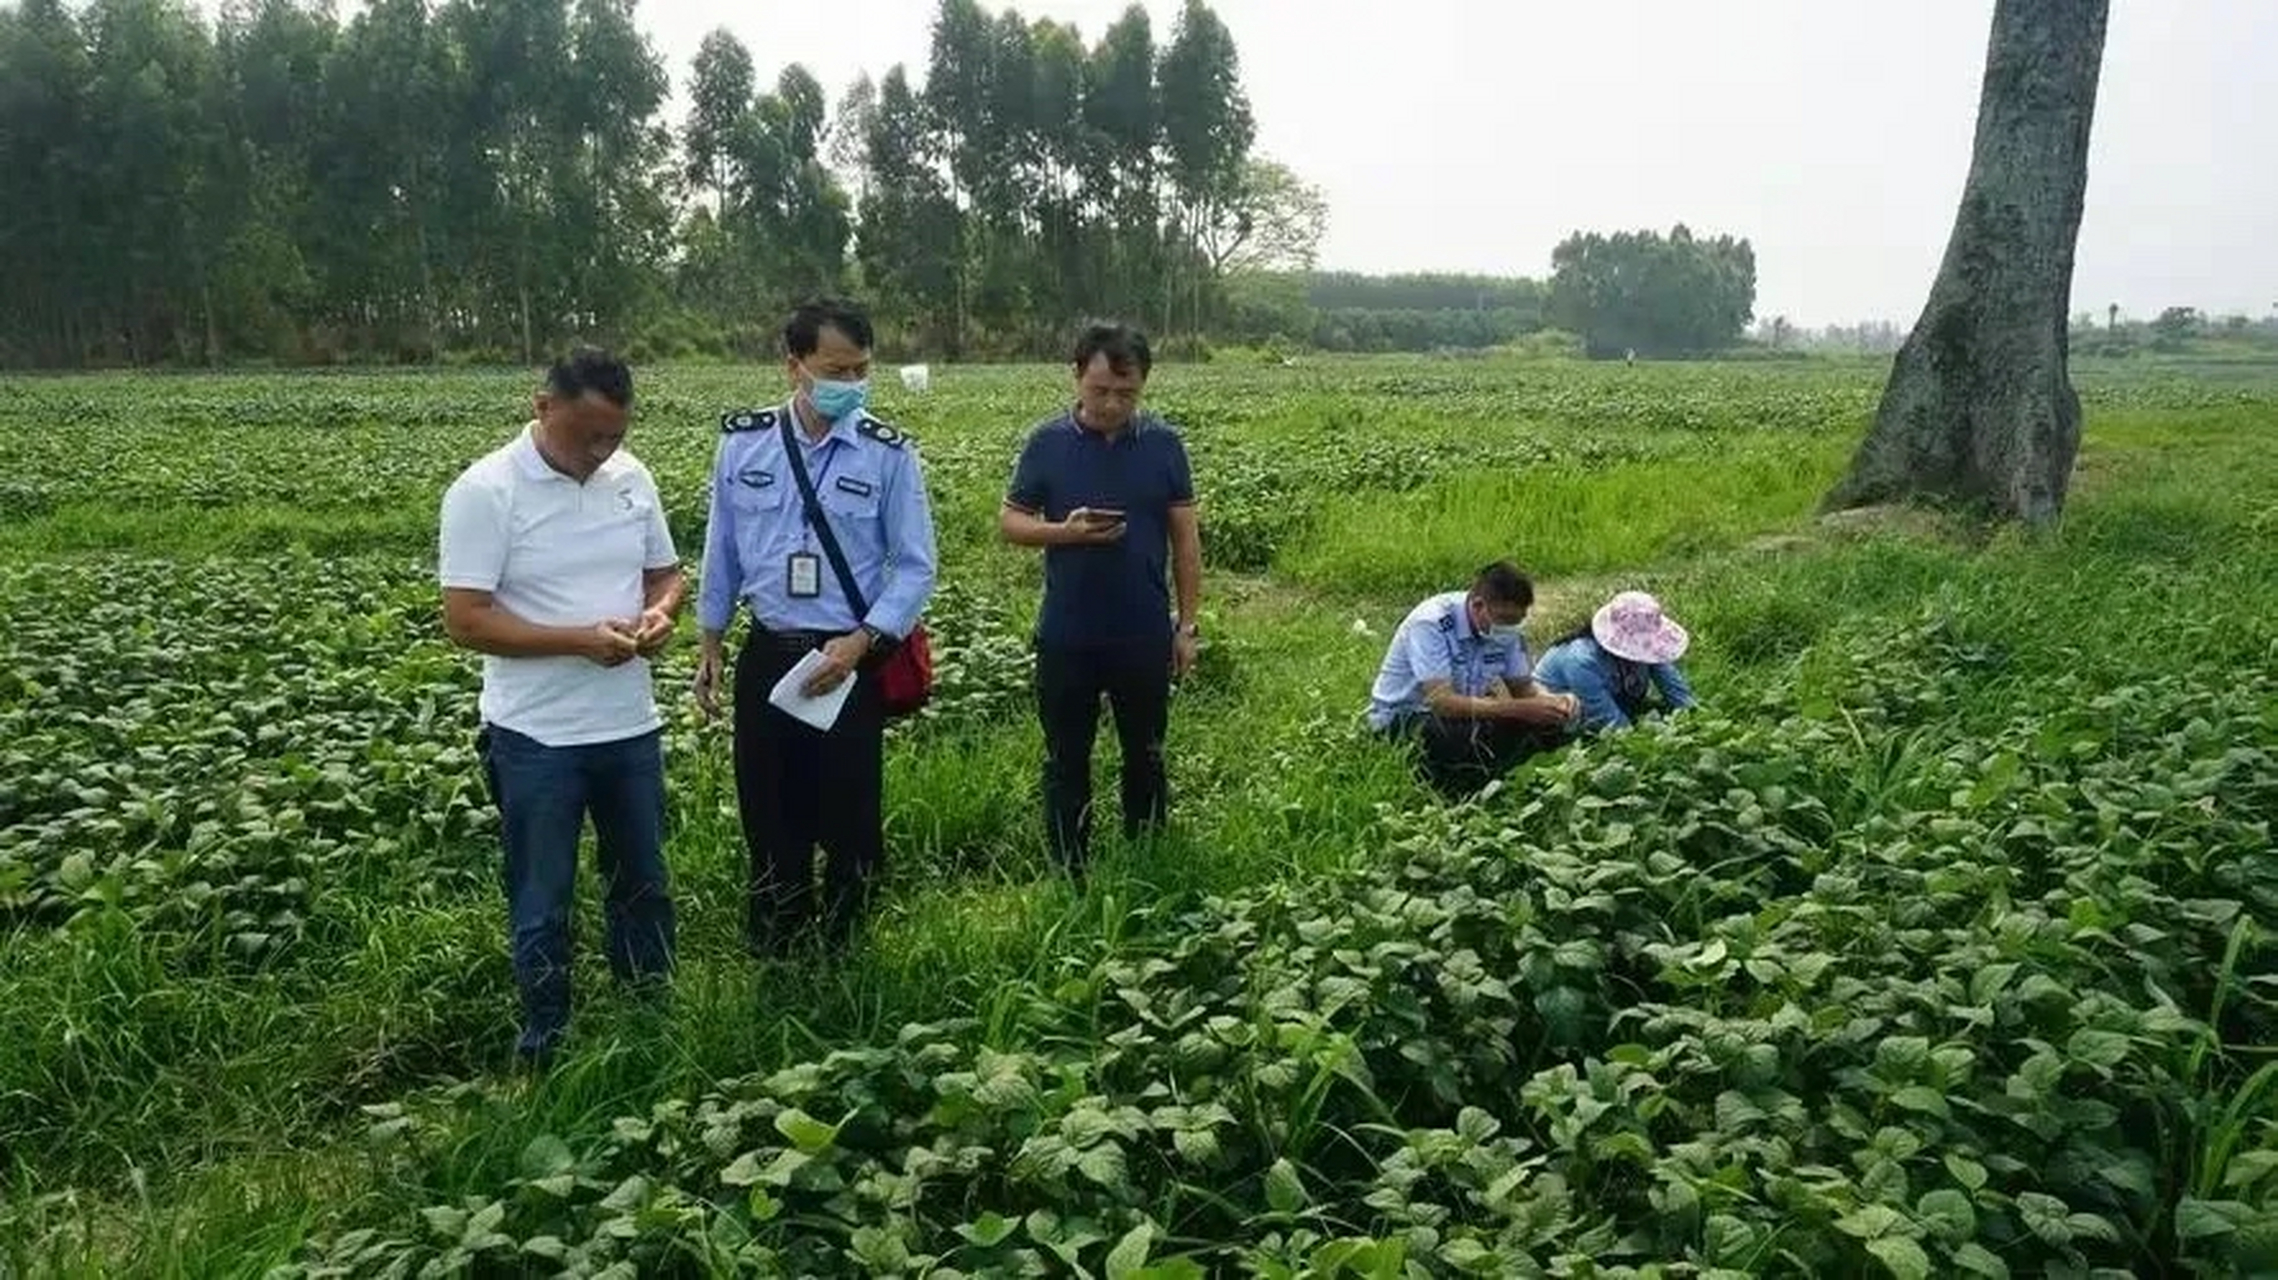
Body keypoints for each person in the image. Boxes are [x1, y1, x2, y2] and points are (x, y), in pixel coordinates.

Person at [437, 347, 684, 1067]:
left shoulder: (631, 478)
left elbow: (665, 573)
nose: (601, 450)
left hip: (630, 727)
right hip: (536, 736)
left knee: (643, 883)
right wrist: (575, 641)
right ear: (542, 407)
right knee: (543, 899)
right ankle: (546, 1042)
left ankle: (649, 1024)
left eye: (615, 434)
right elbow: (466, 620)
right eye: (586, 435)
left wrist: (661, 614)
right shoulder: (485, 490)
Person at [692, 298, 938, 955]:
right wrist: (710, 639)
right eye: (837, 370)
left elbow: (915, 568)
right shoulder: (743, 444)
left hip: (848, 659)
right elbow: (722, 551)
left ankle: (847, 947)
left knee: (851, 815)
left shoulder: (889, 454)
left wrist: (861, 643)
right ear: (793, 366)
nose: (851, 385)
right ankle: (777, 944)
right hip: (771, 653)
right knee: (769, 811)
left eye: (862, 370)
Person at [999, 321, 1203, 878]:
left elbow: (1185, 540)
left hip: (1142, 631)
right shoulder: (1047, 443)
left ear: (1143, 385)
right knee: (1067, 759)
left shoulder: (1163, 445)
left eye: (1127, 392)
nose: (1112, 403)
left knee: (1147, 755)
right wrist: (1065, 532)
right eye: (1100, 390)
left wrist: (1187, 627)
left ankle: (1148, 857)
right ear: (1076, 377)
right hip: (1068, 634)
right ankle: (1070, 866)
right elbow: (1012, 522)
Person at [1365, 562, 1580, 797]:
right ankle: (1460, 792)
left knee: (1552, 723)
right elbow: (1442, 703)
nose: (1510, 627)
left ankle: (1507, 782)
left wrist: (1554, 702)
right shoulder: (1431, 623)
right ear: (1478, 606)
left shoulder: (1507, 631)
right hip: (1408, 717)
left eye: (1517, 620)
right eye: (1505, 619)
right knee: (1449, 736)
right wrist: (1520, 709)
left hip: (1470, 713)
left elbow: (1523, 688)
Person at [1532, 590, 1697, 732]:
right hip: (1558, 721)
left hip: (1615, 701)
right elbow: (1610, 722)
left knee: (1662, 712)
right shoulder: (1582, 660)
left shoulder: (1651, 650)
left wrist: (1695, 719)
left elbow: (1677, 692)